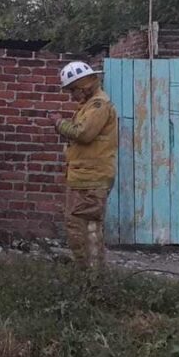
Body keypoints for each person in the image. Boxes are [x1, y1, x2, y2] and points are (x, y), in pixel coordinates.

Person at [48, 62, 117, 269]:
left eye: (72, 91)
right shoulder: (90, 105)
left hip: (90, 179)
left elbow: (83, 134)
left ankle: (91, 276)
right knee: (84, 225)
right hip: (84, 177)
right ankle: (90, 274)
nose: (71, 96)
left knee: (84, 227)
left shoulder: (98, 106)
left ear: (83, 85)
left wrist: (59, 123)